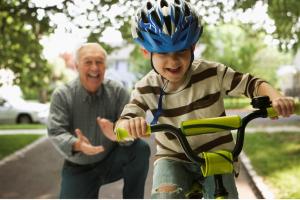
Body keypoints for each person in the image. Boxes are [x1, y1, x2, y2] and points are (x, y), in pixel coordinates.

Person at [99, 0, 296, 199]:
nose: (173, 61)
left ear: (193, 47)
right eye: (163, 53)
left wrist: (277, 97)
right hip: (173, 158)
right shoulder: (146, 87)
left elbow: (251, 84)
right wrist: (129, 124)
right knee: (165, 196)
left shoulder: (213, 73)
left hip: (217, 154)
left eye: (181, 51)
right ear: (146, 52)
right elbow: (129, 115)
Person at [47, 42, 150, 199]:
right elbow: (56, 131)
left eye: (99, 62)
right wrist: (77, 144)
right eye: (88, 62)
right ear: (76, 66)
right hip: (78, 167)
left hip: (111, 160)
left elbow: (129, 128)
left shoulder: (118, 92)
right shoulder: (62, 95)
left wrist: (118, 135)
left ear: (105, 67)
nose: (95, 68)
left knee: (140, 149)